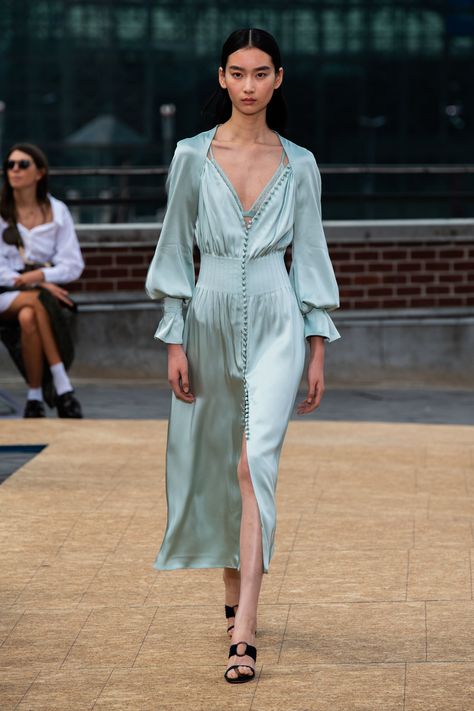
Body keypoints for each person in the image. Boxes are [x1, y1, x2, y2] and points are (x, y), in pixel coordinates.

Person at [146, 28, 340, 683]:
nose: (250, 84)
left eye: (262, 73)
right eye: (239, 72)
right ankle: (235, 594)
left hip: (281, 322)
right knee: (222, 462)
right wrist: (173, 333)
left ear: (278, 79)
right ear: (222, 78)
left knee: (255, 461)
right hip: (208, 316)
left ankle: (245, 631)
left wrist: (317, 346)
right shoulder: (191, 157)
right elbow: (174, 247)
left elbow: (310, 255)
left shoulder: (300, 163)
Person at [0, 143, 84, 418]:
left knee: (28, 316)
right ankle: (63, 387)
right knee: (36, 300)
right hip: (4, 293)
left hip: (31, 297)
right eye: (10, 165)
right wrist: (36, 283)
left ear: (39, 172)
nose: (14, 170)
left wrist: (41, 276)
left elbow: (73, 265)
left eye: (22, 165)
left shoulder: (58, 212)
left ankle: (34, 397)